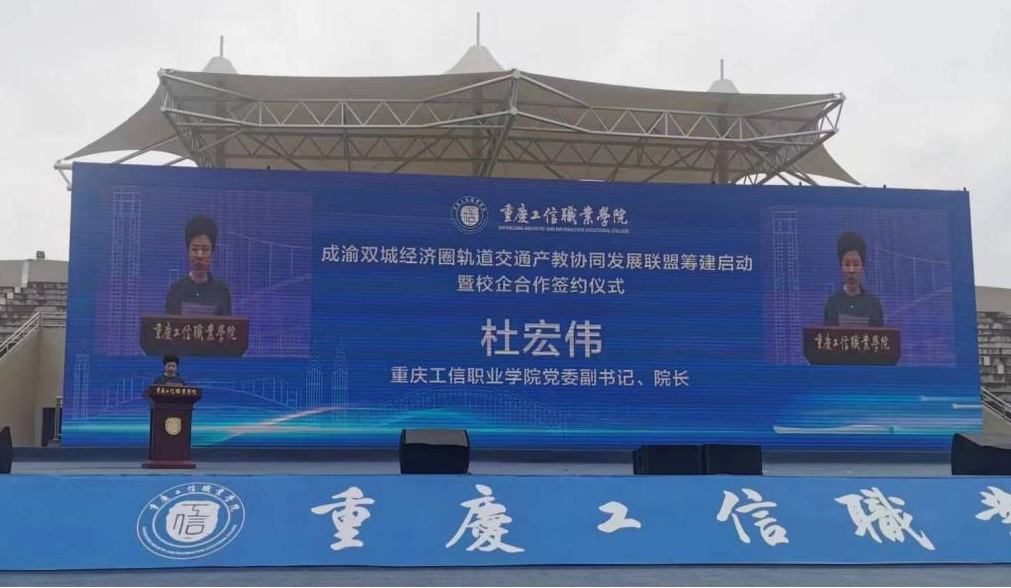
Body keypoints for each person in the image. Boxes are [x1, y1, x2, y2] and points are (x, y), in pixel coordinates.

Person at [165, 215, 232, 316]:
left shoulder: (222, 291)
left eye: (205, 249)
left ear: (212, 251)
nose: (199, 255)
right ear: (188, 250)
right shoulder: (176, 290)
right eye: (195, 249)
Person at [824, 232, 884, 327]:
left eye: (856, 264)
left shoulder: (874, 304)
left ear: (862, 267)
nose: (851, 270)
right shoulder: (833, 303)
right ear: (841, 268)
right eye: (847, 264)